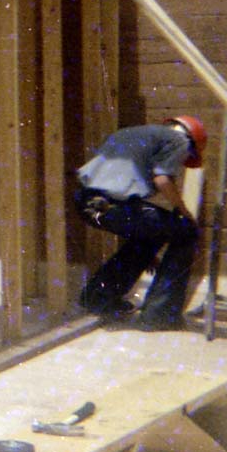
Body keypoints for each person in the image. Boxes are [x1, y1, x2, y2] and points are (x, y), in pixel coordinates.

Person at [73, 115, 207, 331]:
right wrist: (184, 212)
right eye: (186, 157)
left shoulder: (129, 133)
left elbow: (117, 193)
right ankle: (160, 315)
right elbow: (162, 179)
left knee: (150, 233)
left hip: (87, 202)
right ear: (190, 140)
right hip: (112, 205)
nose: (182, 161)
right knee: (186, 231)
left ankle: (98, 298)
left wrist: (146, 247)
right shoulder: (179, 140)